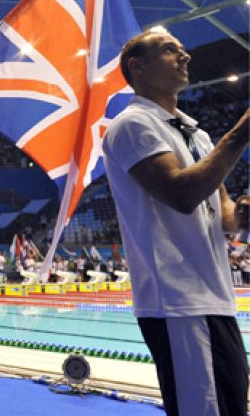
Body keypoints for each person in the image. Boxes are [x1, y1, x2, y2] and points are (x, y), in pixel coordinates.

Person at [103, 29, 249, 416]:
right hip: (178, 302)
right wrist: (241, 132)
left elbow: (226, 218)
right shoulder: (132, 125)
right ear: (138, 66)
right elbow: (181, 194)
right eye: (171, 50)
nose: (185, 57)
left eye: (184, 50)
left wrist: (244, 214)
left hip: (215, 297)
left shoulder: (197, 135)